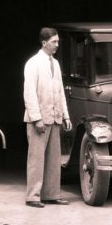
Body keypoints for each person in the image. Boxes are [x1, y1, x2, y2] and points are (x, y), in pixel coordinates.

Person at [22, 27, 72, 207]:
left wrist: (65, 116)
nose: (57, 45)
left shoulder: (55, 64)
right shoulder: (32, 63)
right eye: (54, 42)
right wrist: (36, 118)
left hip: (55, 117)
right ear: (44, 43)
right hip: (39, 119)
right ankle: (33, 196)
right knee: (36, 158)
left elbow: (60, 92)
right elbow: (29, 93)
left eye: (57, 42)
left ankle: (51, 194)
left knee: (53, 158)